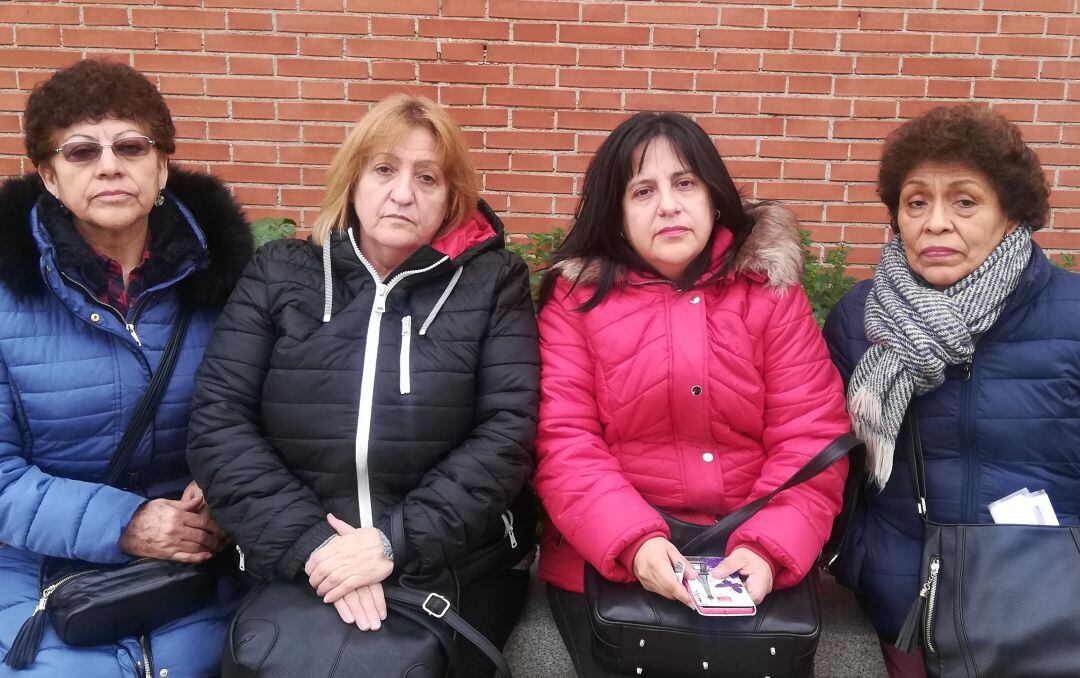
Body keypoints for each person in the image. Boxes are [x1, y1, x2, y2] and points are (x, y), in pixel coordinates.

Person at [186, 94, 539, 678]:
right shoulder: (281, 273)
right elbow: (220, 421)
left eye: (427, 177)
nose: (403, 193)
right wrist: (318, 550)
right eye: (384, 169)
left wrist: (390, 545)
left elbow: (505, 433)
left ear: (451, 197)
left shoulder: (490, 283)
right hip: (295, 558)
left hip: (454, 564)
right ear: (352, 180)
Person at [533, 111, 850, 677]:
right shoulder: (574, 301)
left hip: (751, 556)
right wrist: (634, 542)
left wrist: (768, 548)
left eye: (685, 183)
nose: (669, 205)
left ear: (713, 195)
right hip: (607, 560)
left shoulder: (770, 293)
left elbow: (810, 433)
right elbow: (563, 441)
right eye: (643, 190)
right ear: (617, 210)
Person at [0, 60, 252, 677]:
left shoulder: (234, 284)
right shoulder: (5, 299)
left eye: (130, 145)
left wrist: (228, 492)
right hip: (38, 577)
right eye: (81, 151)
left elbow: (272, 418)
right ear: (49, 177)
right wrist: (126, 523)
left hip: (202, 569)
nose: (110, 165)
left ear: (160, 166)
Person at [823, 104, 1079, 678]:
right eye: (917, 202)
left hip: (1048, 615)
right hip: (900, 607)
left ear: (1011, 214)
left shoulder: (1073, 315)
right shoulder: (858, 318)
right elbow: (827, 460)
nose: (935, 222)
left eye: (964, 201)